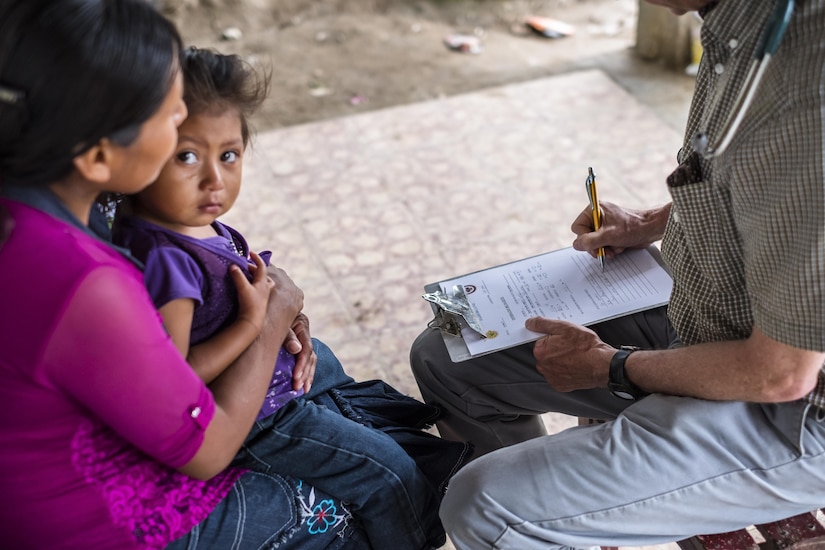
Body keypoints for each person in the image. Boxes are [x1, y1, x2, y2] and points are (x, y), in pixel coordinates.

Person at [409, 0, 825, 548]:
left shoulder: (804, 93)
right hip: (717, 324)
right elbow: (763, 191)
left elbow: (781, 374)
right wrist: (651, 222)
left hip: (795, 409)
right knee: (448, 356)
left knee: (485, 506)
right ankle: (569, 515)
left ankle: (538, 521)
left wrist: (614, 367)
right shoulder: (743, 24)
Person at [0, 2, 367, 548]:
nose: (184, 122)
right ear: (100, 156)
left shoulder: (46, 198)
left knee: (323, 371)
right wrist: (268, 321)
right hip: (87, 518)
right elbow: (207, 447)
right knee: (343, 510)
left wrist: (270, 309)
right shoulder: (85, 281)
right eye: (173, 119)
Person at [112, 46, 470, 550]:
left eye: (229, 154)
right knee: (386, 473)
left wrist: (275, 309)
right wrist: (256, 325)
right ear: (141, 150)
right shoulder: (167, 262)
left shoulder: (183, 223)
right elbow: (175, 382)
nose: (215, 178)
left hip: (271, 396)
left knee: (377, 436)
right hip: (260, 421)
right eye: (187, 156)